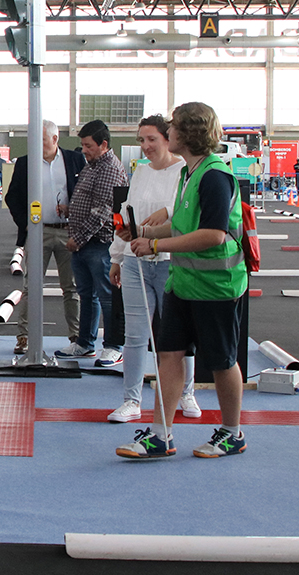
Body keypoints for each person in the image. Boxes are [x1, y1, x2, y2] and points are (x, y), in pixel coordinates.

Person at [117, 101, 248, 460]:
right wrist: (141, 231)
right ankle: (161, 435)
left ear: (187, 133)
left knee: (222, 361)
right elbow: (183, 225)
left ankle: (232, 433)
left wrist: (155, 243)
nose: (168, 131)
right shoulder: (189, 174)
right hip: (184, 283)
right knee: (169, 354)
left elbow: (213, 235)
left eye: (172, 127)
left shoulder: (215, 176)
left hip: (216, 288)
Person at [107, 115, 200, 423]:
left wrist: (169, 211)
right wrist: (117, 258)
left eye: (152, 140)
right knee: (134, 335)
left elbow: (191, 213)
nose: (146, 146)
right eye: (141, 140)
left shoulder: (185, 172)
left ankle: (186, 392)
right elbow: (127, 215)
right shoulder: (141, 173)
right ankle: (131, 400)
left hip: (170, 262)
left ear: (167, 139)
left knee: (176, 335)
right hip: (135, 262)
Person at [5, 120, 84, 354]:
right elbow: (12, 197)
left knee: (71, 288)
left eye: (40, 140)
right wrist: (26, 224)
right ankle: (24, 337)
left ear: (55, 139)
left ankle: (77, 337)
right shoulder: (26, 164)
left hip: (70, 231)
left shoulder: (75, 160)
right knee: (32, 287)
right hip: (38, 231)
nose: (36, 144)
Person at [56, 120, 126, 365]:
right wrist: (69, 209)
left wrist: (78, 238)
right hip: (86, 244)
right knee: (88, 295)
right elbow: (88, 202)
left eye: (88, 145)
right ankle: (85, 343)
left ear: (103, 144)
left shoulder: (109, 169)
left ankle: (114, 345)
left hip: (99, 243)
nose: (83, 150)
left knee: (107, 295)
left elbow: (104, 211)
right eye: (82, 145)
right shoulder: (92, 167)